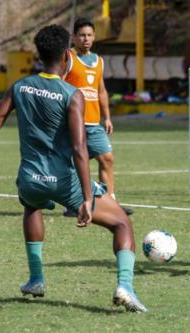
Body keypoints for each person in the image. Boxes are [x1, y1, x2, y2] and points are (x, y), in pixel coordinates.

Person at [0, 24, 147, 312]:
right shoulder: (70, 93)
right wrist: (87, 197)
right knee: (122, 223)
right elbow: (79, 149)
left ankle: (36, 279)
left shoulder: (19, 86)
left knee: (32, 206)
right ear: (67, 55)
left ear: (38, 55)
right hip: (64, 181)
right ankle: (125, 287)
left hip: (29, 179)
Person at [64, 17, 133, 216]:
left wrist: (108, 117)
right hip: (72, 123)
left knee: (107, 159)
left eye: (89, 35)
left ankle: (110, 202)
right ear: (74, 37)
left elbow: (101, 91)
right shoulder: (67, 58)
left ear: (94, 37)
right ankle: (73, 204)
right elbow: (58, 85)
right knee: (73, 163)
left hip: (94, 123)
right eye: (82, 35)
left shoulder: (99, 61)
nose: (86, 39)